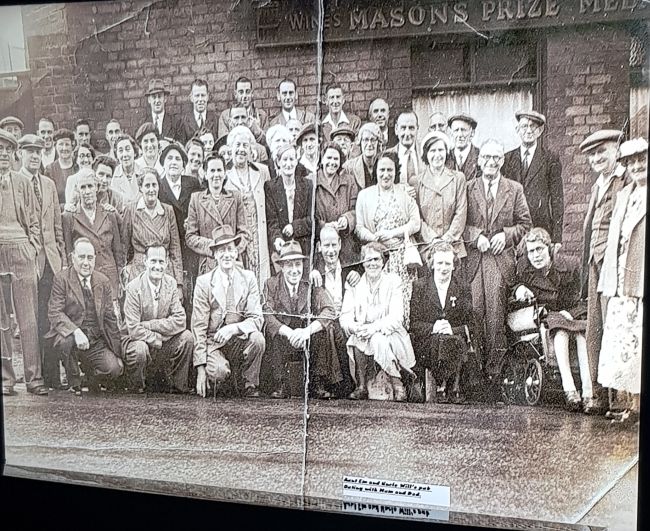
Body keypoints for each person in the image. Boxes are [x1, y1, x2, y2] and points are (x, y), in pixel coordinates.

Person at [464, 139, 531, 388]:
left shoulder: (514, 189)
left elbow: (525, 224)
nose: (491, 162)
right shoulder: (468, 187)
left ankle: (494, 374)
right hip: (474, 261)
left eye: (496, 158)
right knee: (476, 312)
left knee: (495, 315)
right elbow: (459, 223)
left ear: (502, 161)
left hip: (500, 261)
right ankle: (477, 374)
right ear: (479, 160)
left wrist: (506, 234)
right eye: (487, 157)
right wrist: (475, 236)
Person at [512, 228, 591, 411]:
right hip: (550, 317)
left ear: (549, 249)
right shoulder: (525, 271)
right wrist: (520, 288)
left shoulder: (570, 266)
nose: (536, 255)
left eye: (539, 249)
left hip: (573, 311)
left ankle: (589, 393)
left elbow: (582, 295)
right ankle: (569, 390)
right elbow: (513, 286)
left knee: (581, 335)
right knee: (560, 332)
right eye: (531, 251)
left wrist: (570, 312)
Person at [597, 137, 647, 423]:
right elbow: (616, 239)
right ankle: (630, 405)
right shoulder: (625, 195)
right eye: (632, 162)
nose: (638, 166)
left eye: (642, 160)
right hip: (622, 278)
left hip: (640, 278)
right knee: (625, 345)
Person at [578, 129, 626, 415]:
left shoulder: (624, 181)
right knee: (594, 329)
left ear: (616, 150)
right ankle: (597, 395)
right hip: (595, 265)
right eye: (592, 154)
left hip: (614, 265)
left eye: (602, 151)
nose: (597, 158)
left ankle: (617, 400)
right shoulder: (599, 184)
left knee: (614, 328)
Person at [191, 226, 265, 399]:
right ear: (215, 255)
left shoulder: (248, 278)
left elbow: (257, 318)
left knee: (258, 340)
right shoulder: (204, 282)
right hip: (213, 342)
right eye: (221, 250)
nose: (226, 255)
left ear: (236, 253)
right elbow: (199, 328)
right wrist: (201, 370)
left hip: (237, 339)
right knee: (218, 372)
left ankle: (248, 384)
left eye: (230, 249)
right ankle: (224, 378)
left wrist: (233, 329)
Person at [18, 134, 66, 390]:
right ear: (21, 155)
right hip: (27, 261)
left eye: (38, 151)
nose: (35, 156)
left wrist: (62, 260)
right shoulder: (14, 183)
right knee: (30, 321)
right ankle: (33, 377)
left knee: (50, 318)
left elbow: (57, 227)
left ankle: (51, 376)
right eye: (29, 152)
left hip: (51, 262)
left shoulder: (48, 184)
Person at [46, 237, 124, 395]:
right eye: (81, 257)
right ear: (72, 257)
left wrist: (118, 355)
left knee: (114, 369)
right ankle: (74, 381)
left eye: (90, 257)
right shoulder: (62, 279)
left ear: (95, 259)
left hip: (95, 340)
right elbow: (55, 312)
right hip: (71, 337)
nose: (86, 263)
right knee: (65, 341)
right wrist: (75, 331)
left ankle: (89, 376)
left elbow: (110, 320)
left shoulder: (103, 281)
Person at [0, 129, 46, 396]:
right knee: (2, 320)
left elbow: (34, 222)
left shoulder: (22, 182)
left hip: (21, 250)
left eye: (7, 149)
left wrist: (32, 249)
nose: (3, 154)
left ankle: (34, 378)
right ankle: (6, 379)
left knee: (28, 318)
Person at [340, 242, 416, 401]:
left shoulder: (393, 281)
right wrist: (355, 327)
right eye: (368, 260)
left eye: (376, 259)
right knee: (359, 337)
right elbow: (345, 316)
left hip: (390, 334)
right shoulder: (355, 285)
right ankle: (361, 386)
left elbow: (396, 317)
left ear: (383, 262)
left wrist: (372, 328)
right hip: (364, 335)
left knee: (377, 338)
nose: (373, 264)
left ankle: (397, 382)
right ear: (363, 262)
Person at [263, 240, 339, 399]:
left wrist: (306, 331)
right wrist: (289, 333)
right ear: (282, 267)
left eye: (297, 265)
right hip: (284, 340)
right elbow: (267, 315)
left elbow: (330, 310)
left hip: (306, 338)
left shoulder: (311, 282)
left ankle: (317, 383)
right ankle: (280, 383)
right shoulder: (271, 284)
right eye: (289, 265)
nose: (294, 270)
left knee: (321, 330)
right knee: (273, 331)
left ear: (303, 266)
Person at [355, 152, 421, 323]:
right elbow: (359, 228)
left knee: (403, 306)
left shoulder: (404, 193)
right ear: (376, 171)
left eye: (390, 170)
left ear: (395, 171)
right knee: (379, 306)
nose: (386, 174)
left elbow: (416, 223)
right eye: (382, 170)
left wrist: (393, 233)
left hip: (402, 260)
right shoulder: (365, 195)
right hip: (378, 261)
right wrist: (375, 239)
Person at [122, 245, 193, 394]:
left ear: (167, 263)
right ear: (145, 261)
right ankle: (137, 386)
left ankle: (178, 387)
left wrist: (150, 325)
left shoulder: (171, 283)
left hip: (160, 341)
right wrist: (155, 338)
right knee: (140, 350)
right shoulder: (133, 288)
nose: (157, 266)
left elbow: (180, 320)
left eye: (161, 262)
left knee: (187, 337)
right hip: (138, 341)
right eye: (153, 261)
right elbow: (133, 329)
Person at [410, 241, 473, 403]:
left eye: (447, 263)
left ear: (454, 265)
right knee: (440, 340)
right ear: (431, 264)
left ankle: (450, 386)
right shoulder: (420, 286)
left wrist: (453, 329)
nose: (443, 268)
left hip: (455, 339)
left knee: (453, 340)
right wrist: (433, 327)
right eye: (439, 263)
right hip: (428, 342)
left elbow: (470, 322)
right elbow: (413, 323)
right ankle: (444, 384)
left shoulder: (463, 287)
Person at [310, 226, 361, 397]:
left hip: (345, 316)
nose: (330, 251)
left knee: (338, 331)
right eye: (326, 246)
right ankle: (336, 382)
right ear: (319, 247)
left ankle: (336, 382)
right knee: (330, 331)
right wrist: (312, 275)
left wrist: (358, 275)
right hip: (325, 318)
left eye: (333, 245)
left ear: (340, 244)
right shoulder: (314, 268)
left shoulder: (351, 264)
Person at [503, 110, 564, 244]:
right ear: (517, 130)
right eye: (524, 126)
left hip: (540, 225)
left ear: (540, 131)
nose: (529, 131)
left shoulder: (550, 159)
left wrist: (557, 237)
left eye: (533, 127)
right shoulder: (507, 159)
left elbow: (557, 200)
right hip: (514, 226)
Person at [62, 171, 124, 298]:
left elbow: (118, 251)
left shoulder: (109, 213)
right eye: (83, 187)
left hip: (109, 275)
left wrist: (120, 277)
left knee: (111, 316)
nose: (87, 191)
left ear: (96, 188)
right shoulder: (70, 216)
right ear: (77, 190)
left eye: (90, 186)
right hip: (84, 276)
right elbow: (69, 252)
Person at [185, 153, 250, 275]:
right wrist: (214, 247)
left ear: (225, 173)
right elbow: (190, 237)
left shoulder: (235, 197)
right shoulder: (196, 199)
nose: (216, 175)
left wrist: (230, 251)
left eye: (219, 170)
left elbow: (244, 234)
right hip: (209, 263)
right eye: (212, 170)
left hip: (233, 262)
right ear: (205, 174)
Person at [225, 125, 271, 287]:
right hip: (239, 237)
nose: (241, 150)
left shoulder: (262, 172)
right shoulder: (225, 177)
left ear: (251, 149)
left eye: (245, 145)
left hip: (259, 235)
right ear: (231, 148)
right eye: (238, 145)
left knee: (261, 279)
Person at [121, 169, 183, 290]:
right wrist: (125, 270)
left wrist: (179, 283)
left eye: (154, 185)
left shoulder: (168, 211)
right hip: (139, 271)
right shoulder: (131, 210)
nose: (151, 189)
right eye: (147, 185)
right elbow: (124, 246)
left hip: (164, 271)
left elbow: (175, 248)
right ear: (140, 188)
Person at [412, 131, 467, 265]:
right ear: (426, 154)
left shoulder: (458, 178)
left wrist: (447, 239)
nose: (437, 155)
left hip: (454, 248)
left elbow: (461, 212)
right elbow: (416, 217)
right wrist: (433, 239)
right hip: (427, 248)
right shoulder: (416, 181)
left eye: (441, 150)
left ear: (447, 152)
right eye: (432, 151)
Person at [157, 141, 202, 300]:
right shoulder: (158, 187)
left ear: (184, 165)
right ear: (163, 163)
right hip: (170, 244)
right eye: (169, 158)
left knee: (192, 285)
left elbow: (200, 207)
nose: (173, 162)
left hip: (190, 244)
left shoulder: (192, 183)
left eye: (178, 159)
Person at [265, 143, 314, 267]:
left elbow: (313, 219)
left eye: (292, 159)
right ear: (278, 162)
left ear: (296, 161)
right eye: (284, 159)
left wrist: (294, 227)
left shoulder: (307, 185)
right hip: (282, 248)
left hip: (303, 247)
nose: (288, 164)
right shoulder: (271, 187)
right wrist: (277, 239)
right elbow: (272, 221)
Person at [314, 142, 359, 266]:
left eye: (336, 159)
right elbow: (309, 215)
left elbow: (356, 210)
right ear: (322, 159)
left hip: (345, 244)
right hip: (321, 245)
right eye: (329, 158)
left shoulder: (349, 181)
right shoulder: (312, 181)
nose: (332, 162)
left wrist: (347, 219)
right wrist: (324, 226)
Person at [218, 76, 268, 142]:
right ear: (235, 94)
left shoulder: (262, 116)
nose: (244, 96)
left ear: (252, 93)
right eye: (241, 92)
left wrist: (257, 132)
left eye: (247, 92)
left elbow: (268, 144)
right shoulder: (225, 116)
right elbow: (223, 143)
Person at [344, 122, 382, 190]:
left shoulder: (386, 164)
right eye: (366, 140)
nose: (369, 144)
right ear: (360, 142)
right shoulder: (349, 167)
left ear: (378, 142)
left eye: (373, 140)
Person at [179, 78, 218, 144]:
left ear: (207, 97)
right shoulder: (184, 122)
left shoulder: (216, 119)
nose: (200, 99)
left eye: (203, 95)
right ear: (191, 98)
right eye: (197, 96)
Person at [386, 111, 420, 186]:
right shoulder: (387, 156)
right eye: (403, 128)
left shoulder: (426, 153)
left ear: (417, 129)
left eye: (411, 128)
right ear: (396, 129)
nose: (407, 133)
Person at [45, 128, 76, 204]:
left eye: (67, 144)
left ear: (72, 146)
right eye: (61, 144)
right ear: (55, 146)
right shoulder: (50, 170)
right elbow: (49, 199)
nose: (64, 148)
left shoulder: (78, 166)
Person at [111, 133, 144, 203]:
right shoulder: (113, 175)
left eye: (127, 149)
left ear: (134, 152)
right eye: (120, 151)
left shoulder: (143, 172)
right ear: (116, 155)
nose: (125, 154)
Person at [447, 113, 480, 180]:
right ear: (451, 134)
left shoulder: (481, 156)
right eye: (456, 130)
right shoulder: (446, 157)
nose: (460, 135)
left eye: (463, 130)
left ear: (472, 133)